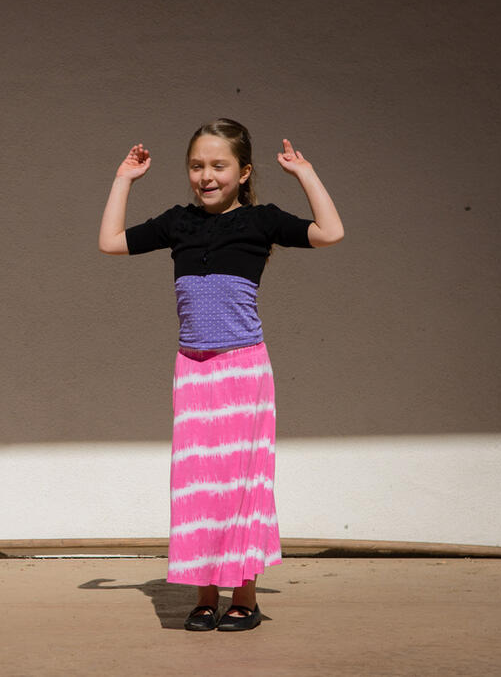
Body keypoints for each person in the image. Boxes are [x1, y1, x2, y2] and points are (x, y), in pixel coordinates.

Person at [98, 118, 343, 631]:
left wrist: (305, 173)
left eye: (218, 166)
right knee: (198, 486)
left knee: (242, 485)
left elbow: (330, 232)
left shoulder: (261, 221)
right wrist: (123, 179)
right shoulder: (178, 223)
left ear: (243, 172)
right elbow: (111, 241)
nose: (205, 176)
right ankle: (206, 594)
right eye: (196, 166)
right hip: (193, 371)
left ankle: (245, 595)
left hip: (243, 371)